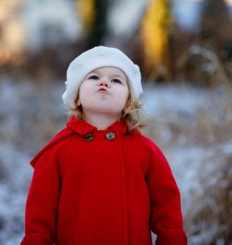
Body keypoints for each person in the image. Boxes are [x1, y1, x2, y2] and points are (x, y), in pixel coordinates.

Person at [21, 46, 187, 245]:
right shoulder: (58, 151)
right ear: (77, 97)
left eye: (116, 80)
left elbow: (167, 207)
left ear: (128, 101)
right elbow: (40, 214)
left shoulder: (145, 150)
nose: (104, 82)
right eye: (93, 77)